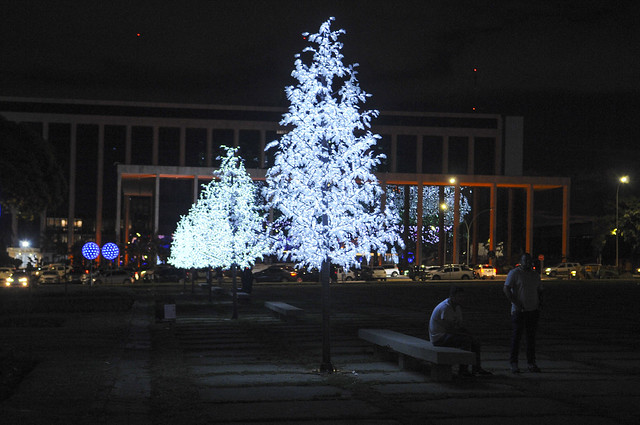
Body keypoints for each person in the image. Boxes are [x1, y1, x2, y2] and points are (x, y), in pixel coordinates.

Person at [429, 286, 492, 376]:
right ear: (452, 296)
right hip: (439, 338)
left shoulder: (456, 307)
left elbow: (458, 326)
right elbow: (450, 329)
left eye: (462, 296)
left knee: (475, 342)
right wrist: (466, 335)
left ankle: (476, 368)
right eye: (459, 297)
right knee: (465, 341)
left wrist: (469, 335)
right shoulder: (445, 308)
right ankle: (463, 370)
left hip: (446, 335)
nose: (461, 299)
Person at [503, 253, 544, 373]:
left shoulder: (535, 275)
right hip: (519, 311)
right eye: (525, 260)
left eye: (529, 261)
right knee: (516, 337)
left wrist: (540, 303)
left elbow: (540, 290)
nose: (527, 263)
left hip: (533, 310)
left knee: (531, 338)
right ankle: (514, 363)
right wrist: (515, 302)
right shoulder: (515, 273)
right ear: (521, 261)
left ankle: (531, 362)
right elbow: (506, 288)